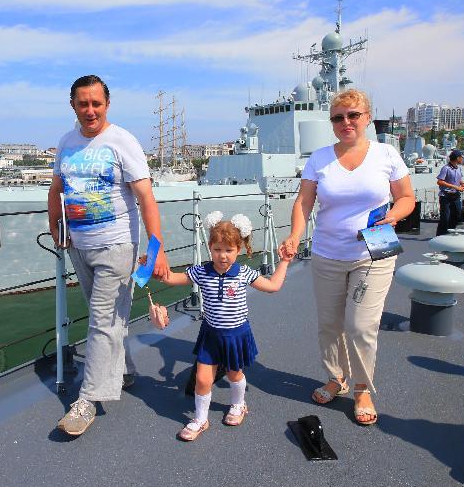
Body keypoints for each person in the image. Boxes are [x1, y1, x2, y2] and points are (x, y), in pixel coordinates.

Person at [279, 88, 414, 425]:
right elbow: (304, 202)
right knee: (330, 325)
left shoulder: (386, 154)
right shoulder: (319, 158)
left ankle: (361, 387)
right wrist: (295, 234)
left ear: (366, 118)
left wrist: (394, 215)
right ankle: (336, 377)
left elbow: (407, 197)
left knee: (360, 325)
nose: (346, 122)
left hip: (374, 251)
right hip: (328, 253)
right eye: (338, 117)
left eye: (353, 115)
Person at [49, 74, 169, 437]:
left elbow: (146, 198)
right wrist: (56, 226)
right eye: (83, 103)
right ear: (73, 105)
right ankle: (125, 370)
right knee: (108, 318)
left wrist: (156, 248)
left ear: (107, 104)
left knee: (101, 320)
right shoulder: (66, 143)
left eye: (96, 103)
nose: (90, 110)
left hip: (118, 245)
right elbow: (57, 189)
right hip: (80, 247)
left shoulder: (122, 141)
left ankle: (87, 400)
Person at [158, 212, 293, 441]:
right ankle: (200, 419)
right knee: (202, 379)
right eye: (218, 249)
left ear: (238, 250)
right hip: (211, 335)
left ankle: (238, 404)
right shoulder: (201, 272)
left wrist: (285, 261)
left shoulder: (244, 273)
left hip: (235, 335)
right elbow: (172, 278)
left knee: (234, 374)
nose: (223, 256)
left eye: (229, 250)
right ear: (210, 247)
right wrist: (154, 269)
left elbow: (272, 286)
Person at [435, 150, 464, 236]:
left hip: (455, 196)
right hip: (446, 196)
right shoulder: (446, 168)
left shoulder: (459, 168)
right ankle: (440, 235)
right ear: (457, 158)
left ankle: (450, 231)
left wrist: (462, 183)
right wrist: (455, 187)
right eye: (461, 157)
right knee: (445, 217)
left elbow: (459, 179)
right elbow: (440, 181)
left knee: (457, 214)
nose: (462, 159)